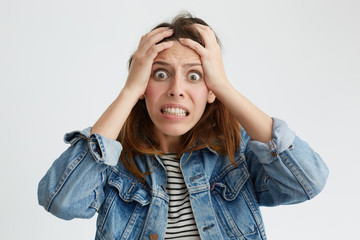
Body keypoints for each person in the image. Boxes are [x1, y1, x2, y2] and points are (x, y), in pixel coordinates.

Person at [38, 13, 329, 240]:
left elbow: (307, 182)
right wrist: (128, 93)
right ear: (142, 85)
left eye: (194, 76)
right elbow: (62, 202)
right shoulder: (114, 159)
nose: (177, 89)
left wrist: (225, 88)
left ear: (211, 88)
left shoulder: (235, 151)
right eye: (160, 73)